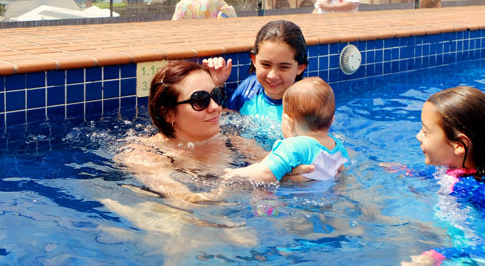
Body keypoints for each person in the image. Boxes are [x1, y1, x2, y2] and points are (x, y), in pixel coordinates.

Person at [387, 86, 485, 265]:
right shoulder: (448, 168)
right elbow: (439, 177)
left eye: (426, 131)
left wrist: (442, 254)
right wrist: (407, 172)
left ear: (459, 145)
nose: (418, 136)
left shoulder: (482, 192)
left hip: (470, 257)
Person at [114, 60, 266, 203]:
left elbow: (285, 170)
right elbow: (186, 200)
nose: (215, 107)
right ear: (168, 114)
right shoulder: (146, 155)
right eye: (200, 101)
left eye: (216, 95)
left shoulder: (232, 142)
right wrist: (235, 183)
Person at [223, 77, 348, 182]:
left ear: (288, 121)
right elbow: (343, 172)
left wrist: (236, 173)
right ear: (332, 120)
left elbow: (266, 173)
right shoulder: (337, 145)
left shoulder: (291, 146)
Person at [204, 19, 308, 122]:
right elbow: (221, 119)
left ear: (300, 68)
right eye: (266, 65)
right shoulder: (248, 89)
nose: (272, 75)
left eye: (284, 67)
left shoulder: (307, 106)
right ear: (254, 60)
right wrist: (218, 83)